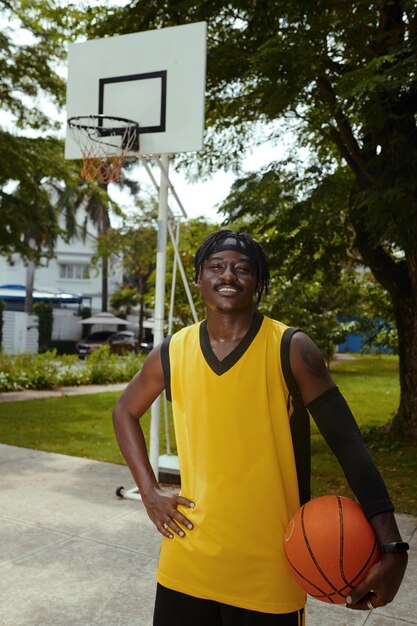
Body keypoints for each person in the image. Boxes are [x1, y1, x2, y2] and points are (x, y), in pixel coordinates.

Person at [113, 230, 408, 626]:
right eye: (216, 267)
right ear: (199, 277)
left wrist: (392, 547)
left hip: (270, 565)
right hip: (187, 558)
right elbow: (124, 412)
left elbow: (349, 444)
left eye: (242, 268)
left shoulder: (291, 348)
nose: (228, 275)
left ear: (258, 281)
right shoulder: (171, 351)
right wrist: (148, 492)